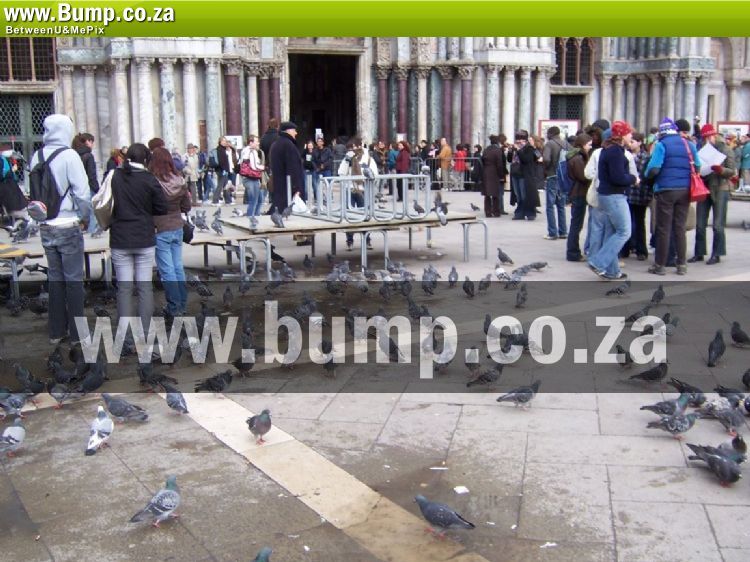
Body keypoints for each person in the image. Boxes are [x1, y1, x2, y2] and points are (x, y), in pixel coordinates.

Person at [30, 114, 91, 345]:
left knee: (55, 279)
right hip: (67, 224)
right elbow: (82, 193)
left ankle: (56, 332)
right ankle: (77, 335)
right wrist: (85, 218)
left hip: (46, 225)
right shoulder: (69, 155)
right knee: (73, 280)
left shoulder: (37, 155)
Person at [109, 143, 168, 337]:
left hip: (120, 237)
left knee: (124, 289)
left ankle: (125, 335)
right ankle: (145, 332)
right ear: (146, 159)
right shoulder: (149, 179)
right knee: (144, 288)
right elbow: (162, 208)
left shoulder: (114, 176)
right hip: (144, 237)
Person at [644, 118, 700, 275]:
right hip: (685, 190)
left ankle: (660, 265)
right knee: (680, 227)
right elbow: (697, 165)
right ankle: (681, 265)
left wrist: (646, 175)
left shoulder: (661, 145)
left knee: (663, 228)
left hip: (666, 189)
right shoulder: (689, 144)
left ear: (662, 132)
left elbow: (654, 168)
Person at [587, 121, 637, 281]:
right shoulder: (615, 152)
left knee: (612, 232)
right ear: (622, 135)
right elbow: (618, 178)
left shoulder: (608, 150)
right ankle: (598, 261)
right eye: (629, 133)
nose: (631, 136)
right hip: (614, 196)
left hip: (606, 195)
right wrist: (633, 179)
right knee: (624, 231)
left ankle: (612, 271)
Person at [149, 147, 191, 317]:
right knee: (178, 267)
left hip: (160, 228)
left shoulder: (153, 182)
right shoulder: (180, 180)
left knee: (167, 271)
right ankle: (182, 304)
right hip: (177, 226)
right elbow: (186, 206)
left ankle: (174, 307)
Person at [690, 123, 735, 265]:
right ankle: (699, 253)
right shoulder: (702, 149)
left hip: (721, 188)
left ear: (714, 135)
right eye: (704, 138)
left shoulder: (726, 149)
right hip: (705, 187)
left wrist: (720, 170)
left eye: (708, 137)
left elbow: (732, 171)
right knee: (700, 223)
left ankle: (717, 253)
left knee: (718, 224)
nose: (707, 140)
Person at [338, 138, 378, 250]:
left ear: (360, 146)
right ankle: (349, 240)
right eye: (351, 148)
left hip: (363, 190)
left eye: (355, 147)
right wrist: (347, 161)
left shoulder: (368, 158)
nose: (353, 149)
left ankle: (367, 239)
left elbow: (375, 174)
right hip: (350, 189)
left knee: (365, 216)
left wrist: (366, 178)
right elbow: (341, 173)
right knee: (349, 216)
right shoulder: (348, 158)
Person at [620, 132, 652, 261]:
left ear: (640, 142)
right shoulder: (625, 154)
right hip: (627, 192)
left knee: (639, 222)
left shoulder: (645, 156)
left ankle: (641, 250)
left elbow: (644, 175)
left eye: (632, 141)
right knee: (626, 221)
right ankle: (625, 249)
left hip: (639, 193)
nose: (630, 144)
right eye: (630, 141)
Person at [565, 133, 592, 262]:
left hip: (576, 192)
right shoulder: (578, 158)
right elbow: (583, 176)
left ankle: (573, 251)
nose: (590, 147)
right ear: (583, 144)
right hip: (579, 193)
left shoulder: (575, 156)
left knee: (576, 223)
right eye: (589, 144)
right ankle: (573, 252)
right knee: (576, 224)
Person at [269, 121, 305, 213]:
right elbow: (293, 167)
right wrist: (296, 187)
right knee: (286, 209)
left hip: (279, 183)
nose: (296, 133)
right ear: (288, 131)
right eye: (294, 130)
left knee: (278, 207)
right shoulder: (288, 145)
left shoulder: (276, 144)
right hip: (288, 185)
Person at [542, 126, 568, 240]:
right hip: (563, 177)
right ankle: (563, 231)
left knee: (550, 205)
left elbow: (546, 159)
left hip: (552, 175)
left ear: (550, 134)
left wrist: (547, 168)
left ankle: (552, 232)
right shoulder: (565, 144)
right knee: (561, 205)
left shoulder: (550, 144)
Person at [72, 132, 100, 234]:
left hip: (75, 188)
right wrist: (97, 189)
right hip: (88, 187)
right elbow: (92, 175)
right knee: (92, 211)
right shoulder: (88, 156)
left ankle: (80, 231)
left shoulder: (73, 155)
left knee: (78, 212)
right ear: (87, 142)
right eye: (92, 142)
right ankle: (91, 231)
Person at [513, 131, 541, 220]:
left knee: (524, 195)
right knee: (518, 195)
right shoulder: (517, 148)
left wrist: (518, 150)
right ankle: (520, 212)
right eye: (517, 139)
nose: (519, 141)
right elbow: (510, 159)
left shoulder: (529, 149)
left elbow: (526, 159)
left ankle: (529, 212)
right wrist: (511, 151)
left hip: (524, 174)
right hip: (515, 173)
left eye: (521, 139)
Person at [240, 135, 265, 218]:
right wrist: (263, 167)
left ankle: (255, 216)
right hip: (251, 177)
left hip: (248, 177)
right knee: (254, 200)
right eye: (256, 141)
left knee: (258, 199)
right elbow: (254, 166)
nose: (258, 143)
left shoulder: (244, 150)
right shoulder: (251, 151)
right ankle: (251, 217)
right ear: (251, 143)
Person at [481, 135, 507, 218]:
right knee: (495, 193)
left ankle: (488, 212)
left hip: (486, 171)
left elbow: (482, 160)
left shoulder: (486, 149)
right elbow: (499, 164)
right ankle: (496, 211)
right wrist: (501, 175)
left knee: (487, 194)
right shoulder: (497, 150)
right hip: (494, 172)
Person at [211, 136, 237, 206]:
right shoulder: (220, 150)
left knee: (226, 186)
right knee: (220, 186)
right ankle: (215, 201)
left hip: (224, 170)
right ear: (220, 142)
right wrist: (224, 170)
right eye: (224, 141)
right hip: (222, 170)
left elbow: (234, 150)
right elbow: (222, 161)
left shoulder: (223, 149)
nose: (225, 142)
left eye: (225, 141)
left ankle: (228, 200)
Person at [312, 137, 333, 205]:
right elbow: (313, 160)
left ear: (323, 142)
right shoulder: (315, 151)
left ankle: (330, 197)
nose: (319, 143)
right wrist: (316, 168)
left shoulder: (327, 150)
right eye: (318, 141)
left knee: (328, 183)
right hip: (318, 169)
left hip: (326, 169)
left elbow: (330, 159)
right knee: (317, 184)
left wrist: (324, 165)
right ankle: (318, 197)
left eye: (320, 141)